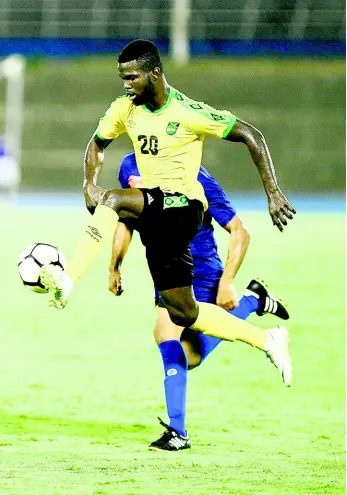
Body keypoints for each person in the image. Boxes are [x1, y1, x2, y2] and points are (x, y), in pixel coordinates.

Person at [40, 39, 295, 428]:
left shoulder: (189, 112)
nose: (126, 85)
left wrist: (273, 191)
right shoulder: (124, 109)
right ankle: (268, 340)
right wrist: (88, 182)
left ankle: (68, 280)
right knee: (185, 314)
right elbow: (97, 143)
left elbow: (251, 134)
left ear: (155, 74)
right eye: (122, 78)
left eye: (133, 77)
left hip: (185, 209)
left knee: (115, 200)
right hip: (159, 224)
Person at [109, 152, 290, 451]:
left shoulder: (195, 174)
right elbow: (127, 219)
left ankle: (177, 433)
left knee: (168, 337)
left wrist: (228, 280)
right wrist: (114, 265)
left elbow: (239, 230)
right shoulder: (130, 165)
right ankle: (253, 300)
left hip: (201, 270)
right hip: (165, 267)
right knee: (188, 356)